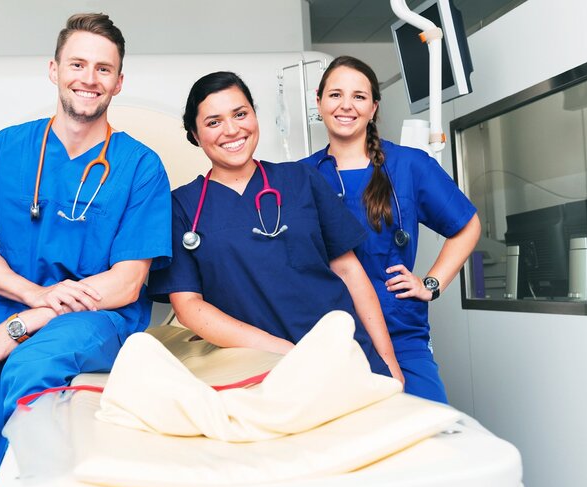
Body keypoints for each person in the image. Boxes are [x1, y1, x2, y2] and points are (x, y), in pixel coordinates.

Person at [0, 13, 171, 487]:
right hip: (4, 326)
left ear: (119, 82)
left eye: (104, 69)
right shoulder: (8, 148)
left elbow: (127, 281)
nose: (90, 78)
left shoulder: (140, 165)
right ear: (54, 70)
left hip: (97, 320)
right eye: (78, 64)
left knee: (36, 361)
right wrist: (33, 296)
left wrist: (30, 319)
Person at [148, 71, 403, 384]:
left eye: (240, 114)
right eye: (214, 122)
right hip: (262, 367)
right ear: (195, 134)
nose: (232, 129)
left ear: (254, 116)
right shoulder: (182, 207)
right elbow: (188, 306)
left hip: (343, 352)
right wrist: (285, 352)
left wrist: (387, 359)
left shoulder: (301, 179)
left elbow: (349, 270)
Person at [302, 56, 481, 403]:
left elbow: (467, 225)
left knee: (429, 423)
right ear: (319, 102)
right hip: (327, 337)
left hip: (400, 332)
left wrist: (431, 284)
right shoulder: (300, 176)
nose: (346, 105)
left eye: (359, 96)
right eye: (336, 94)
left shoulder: (409, 165)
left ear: (373, 108)